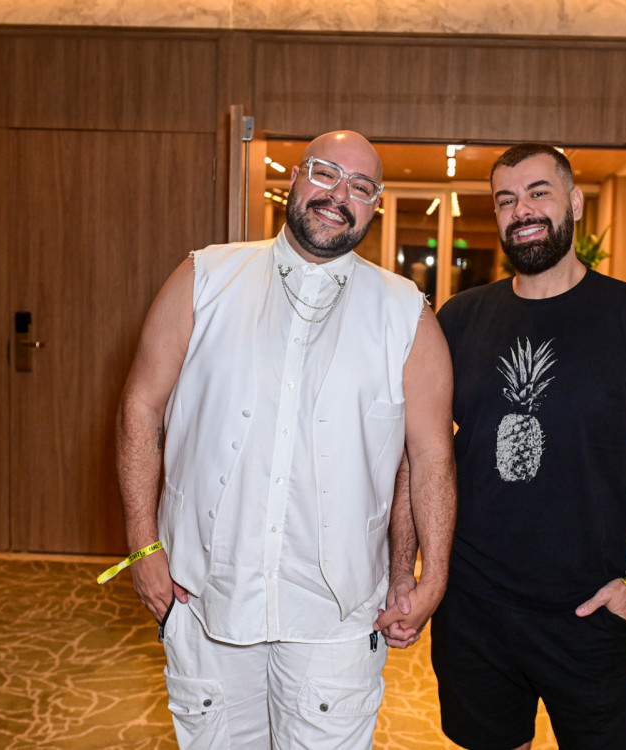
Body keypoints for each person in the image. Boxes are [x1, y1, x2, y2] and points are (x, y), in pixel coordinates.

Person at [114, 130, 456, 750]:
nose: (339, 195)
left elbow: (429, 457)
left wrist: (425, 574)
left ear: (375, 205)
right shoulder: (205, 277)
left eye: (361, 186)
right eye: (326, 174)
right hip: (208, 598)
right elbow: (140, 406)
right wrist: (143, 546)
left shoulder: (407, 313)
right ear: (293, 178)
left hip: (336, 616)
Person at [427, 143, 626, 749]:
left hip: (589, 610)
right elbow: (424, 453)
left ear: (573, 201)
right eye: (506, 199)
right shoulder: (461, 319)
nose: (521, 209)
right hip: (474, 609)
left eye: (538, 192)